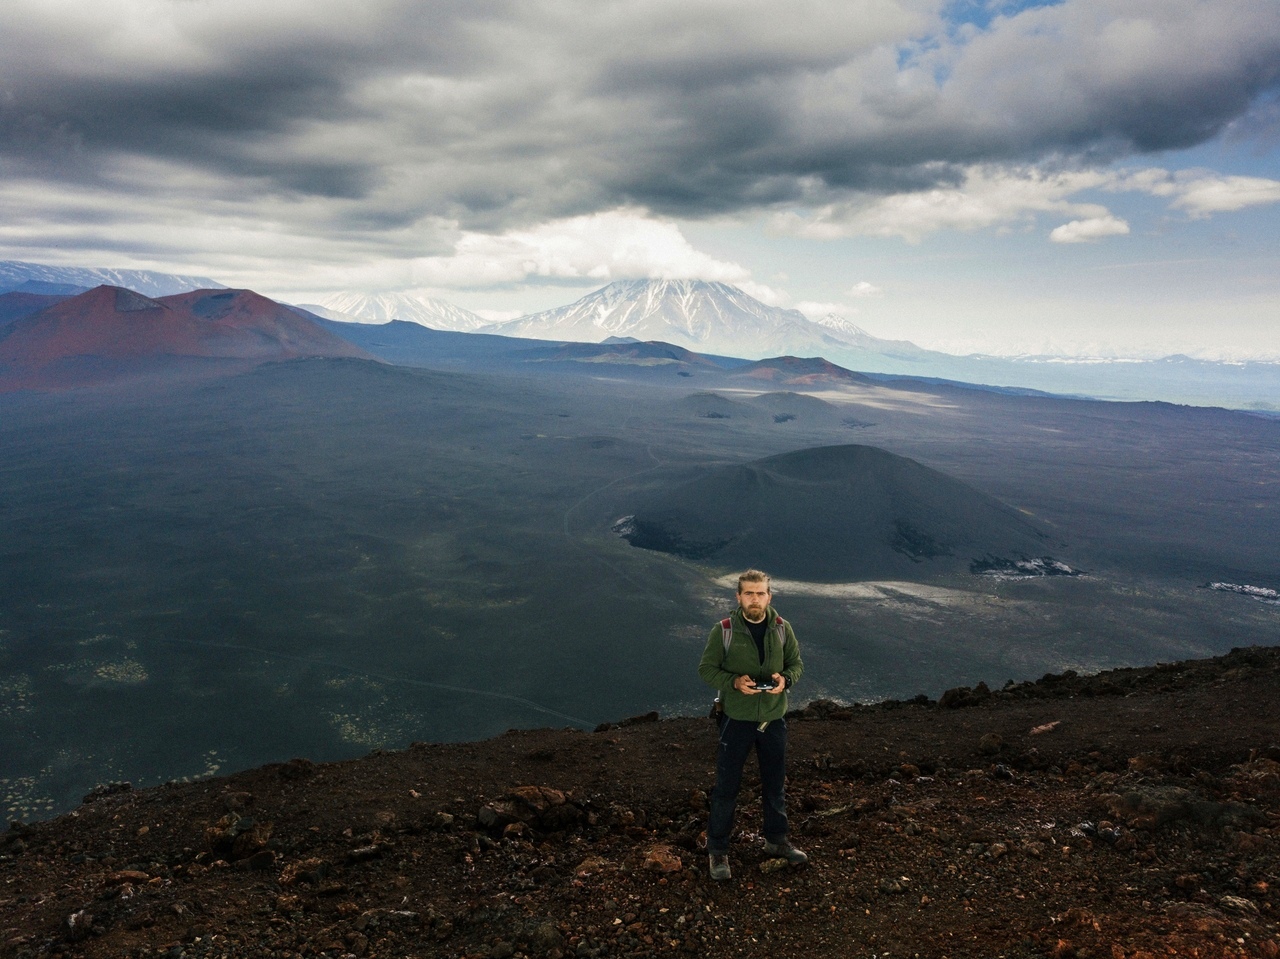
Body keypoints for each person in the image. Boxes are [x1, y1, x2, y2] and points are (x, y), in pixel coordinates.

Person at [697, 569, 806, 880]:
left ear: (769, 596)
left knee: (775, 784)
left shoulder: (783, 629)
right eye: (749, 593)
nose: (755, 599)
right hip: (736, 720)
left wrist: (786, 680)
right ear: (738, 597)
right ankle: (718, 851)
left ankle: (777, 841)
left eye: (760, 593)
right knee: (726, 786)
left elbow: (796, 664)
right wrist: (733, 682)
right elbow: (706, 669)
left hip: (773, 719)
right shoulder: (725, 630)